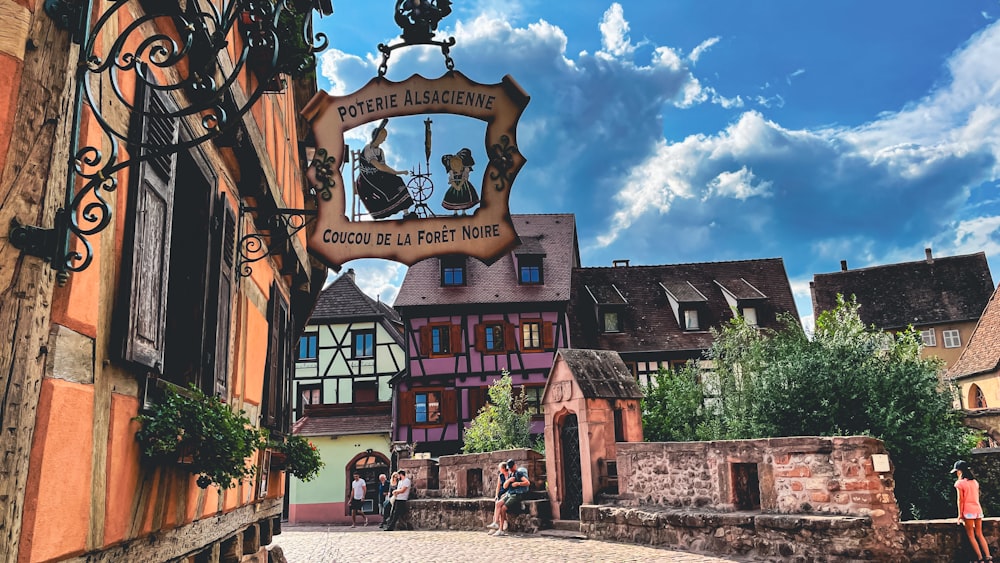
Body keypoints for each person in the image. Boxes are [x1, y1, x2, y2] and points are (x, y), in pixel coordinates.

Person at [357, 119, 414, 219]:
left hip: (378, 175)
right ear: (377, 137)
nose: (384, 140)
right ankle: (382, 211)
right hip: (367, 179)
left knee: (397, 180)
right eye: (383, 137)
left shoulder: (380, 151)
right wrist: (396, 172)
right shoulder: (368, 149)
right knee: (389, 184)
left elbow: (384, 167)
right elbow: (379, 166)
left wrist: (397, 173)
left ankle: (406, 213)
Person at [951, 460, 992, 563]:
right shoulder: (975, 482)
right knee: (979, 533)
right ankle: (988, 557)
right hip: (978, 509)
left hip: (968, 510)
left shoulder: (959, 483)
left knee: (971, 535)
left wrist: (960, 515)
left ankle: (980, 558)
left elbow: (960, 500)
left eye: (957, 471)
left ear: (960, 471)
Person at [495, 458, 529, 537]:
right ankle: (496, 523)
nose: (510, 469)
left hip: (516, 495)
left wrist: (518, 483)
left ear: (514, 466)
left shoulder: (518, 473)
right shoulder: (510, 474)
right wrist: (509, 480)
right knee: (498, 504)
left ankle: (501, 529)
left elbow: (527, 482)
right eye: (509, 468)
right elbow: (504, 486)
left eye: (511, 467)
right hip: (509, 493)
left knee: (503, 508)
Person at [441, 148, 479, 213]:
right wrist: (455, 186)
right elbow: (452, 180)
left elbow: (464, 178)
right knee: (454, 198)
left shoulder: (464, 171)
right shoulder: (452, 173)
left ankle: (463, 211)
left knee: (464, 197)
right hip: (455, 185)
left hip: (463, 185)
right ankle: (455, 211)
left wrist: (460, 185)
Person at [486, 461, 510, 534]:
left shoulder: (510, 475)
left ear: (503, 468)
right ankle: (495, 525)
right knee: (497, 504)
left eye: (500, 468)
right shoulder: (501, 475)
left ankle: (497, 524)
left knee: (499, 505)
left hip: (507, 493)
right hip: (501, 493)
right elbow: (498, 487)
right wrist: (496, 495)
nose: (499, 469)